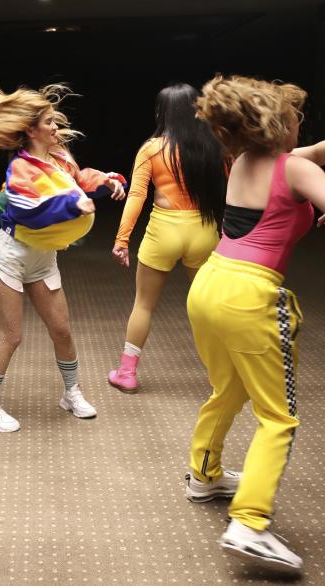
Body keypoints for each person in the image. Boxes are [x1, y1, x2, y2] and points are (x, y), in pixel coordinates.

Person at [183, 74, 325, 574]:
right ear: (278, 124)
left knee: (227, 389)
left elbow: (314, 153)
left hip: (209, 284)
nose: (301, 125)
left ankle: (203, 474)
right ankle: (249, 523)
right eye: (296, 118)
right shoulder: (293, 169)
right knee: (278, 417)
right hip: (251, 295)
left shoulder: (245, 161)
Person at [0, 79, 126, 432]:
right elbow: (25, 209)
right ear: (31, 129)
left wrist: (106, 181)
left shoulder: (61, 156)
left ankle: (71, 393)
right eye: (49, 122)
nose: (56, 127)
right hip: (10, 258)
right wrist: (70, 204)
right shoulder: (21, 168)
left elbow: (80, 179)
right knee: (12, 336)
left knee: (62, 330)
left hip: (42, 257)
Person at [108, 84, 227, 393]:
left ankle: (126, 372)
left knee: (144, 305)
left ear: (162, 112)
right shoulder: (215, 146)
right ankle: (220, 374)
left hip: (164, 231)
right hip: (204, 230)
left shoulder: (151, 148)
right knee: (208, 307)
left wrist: (122, 240)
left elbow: (136, 195)